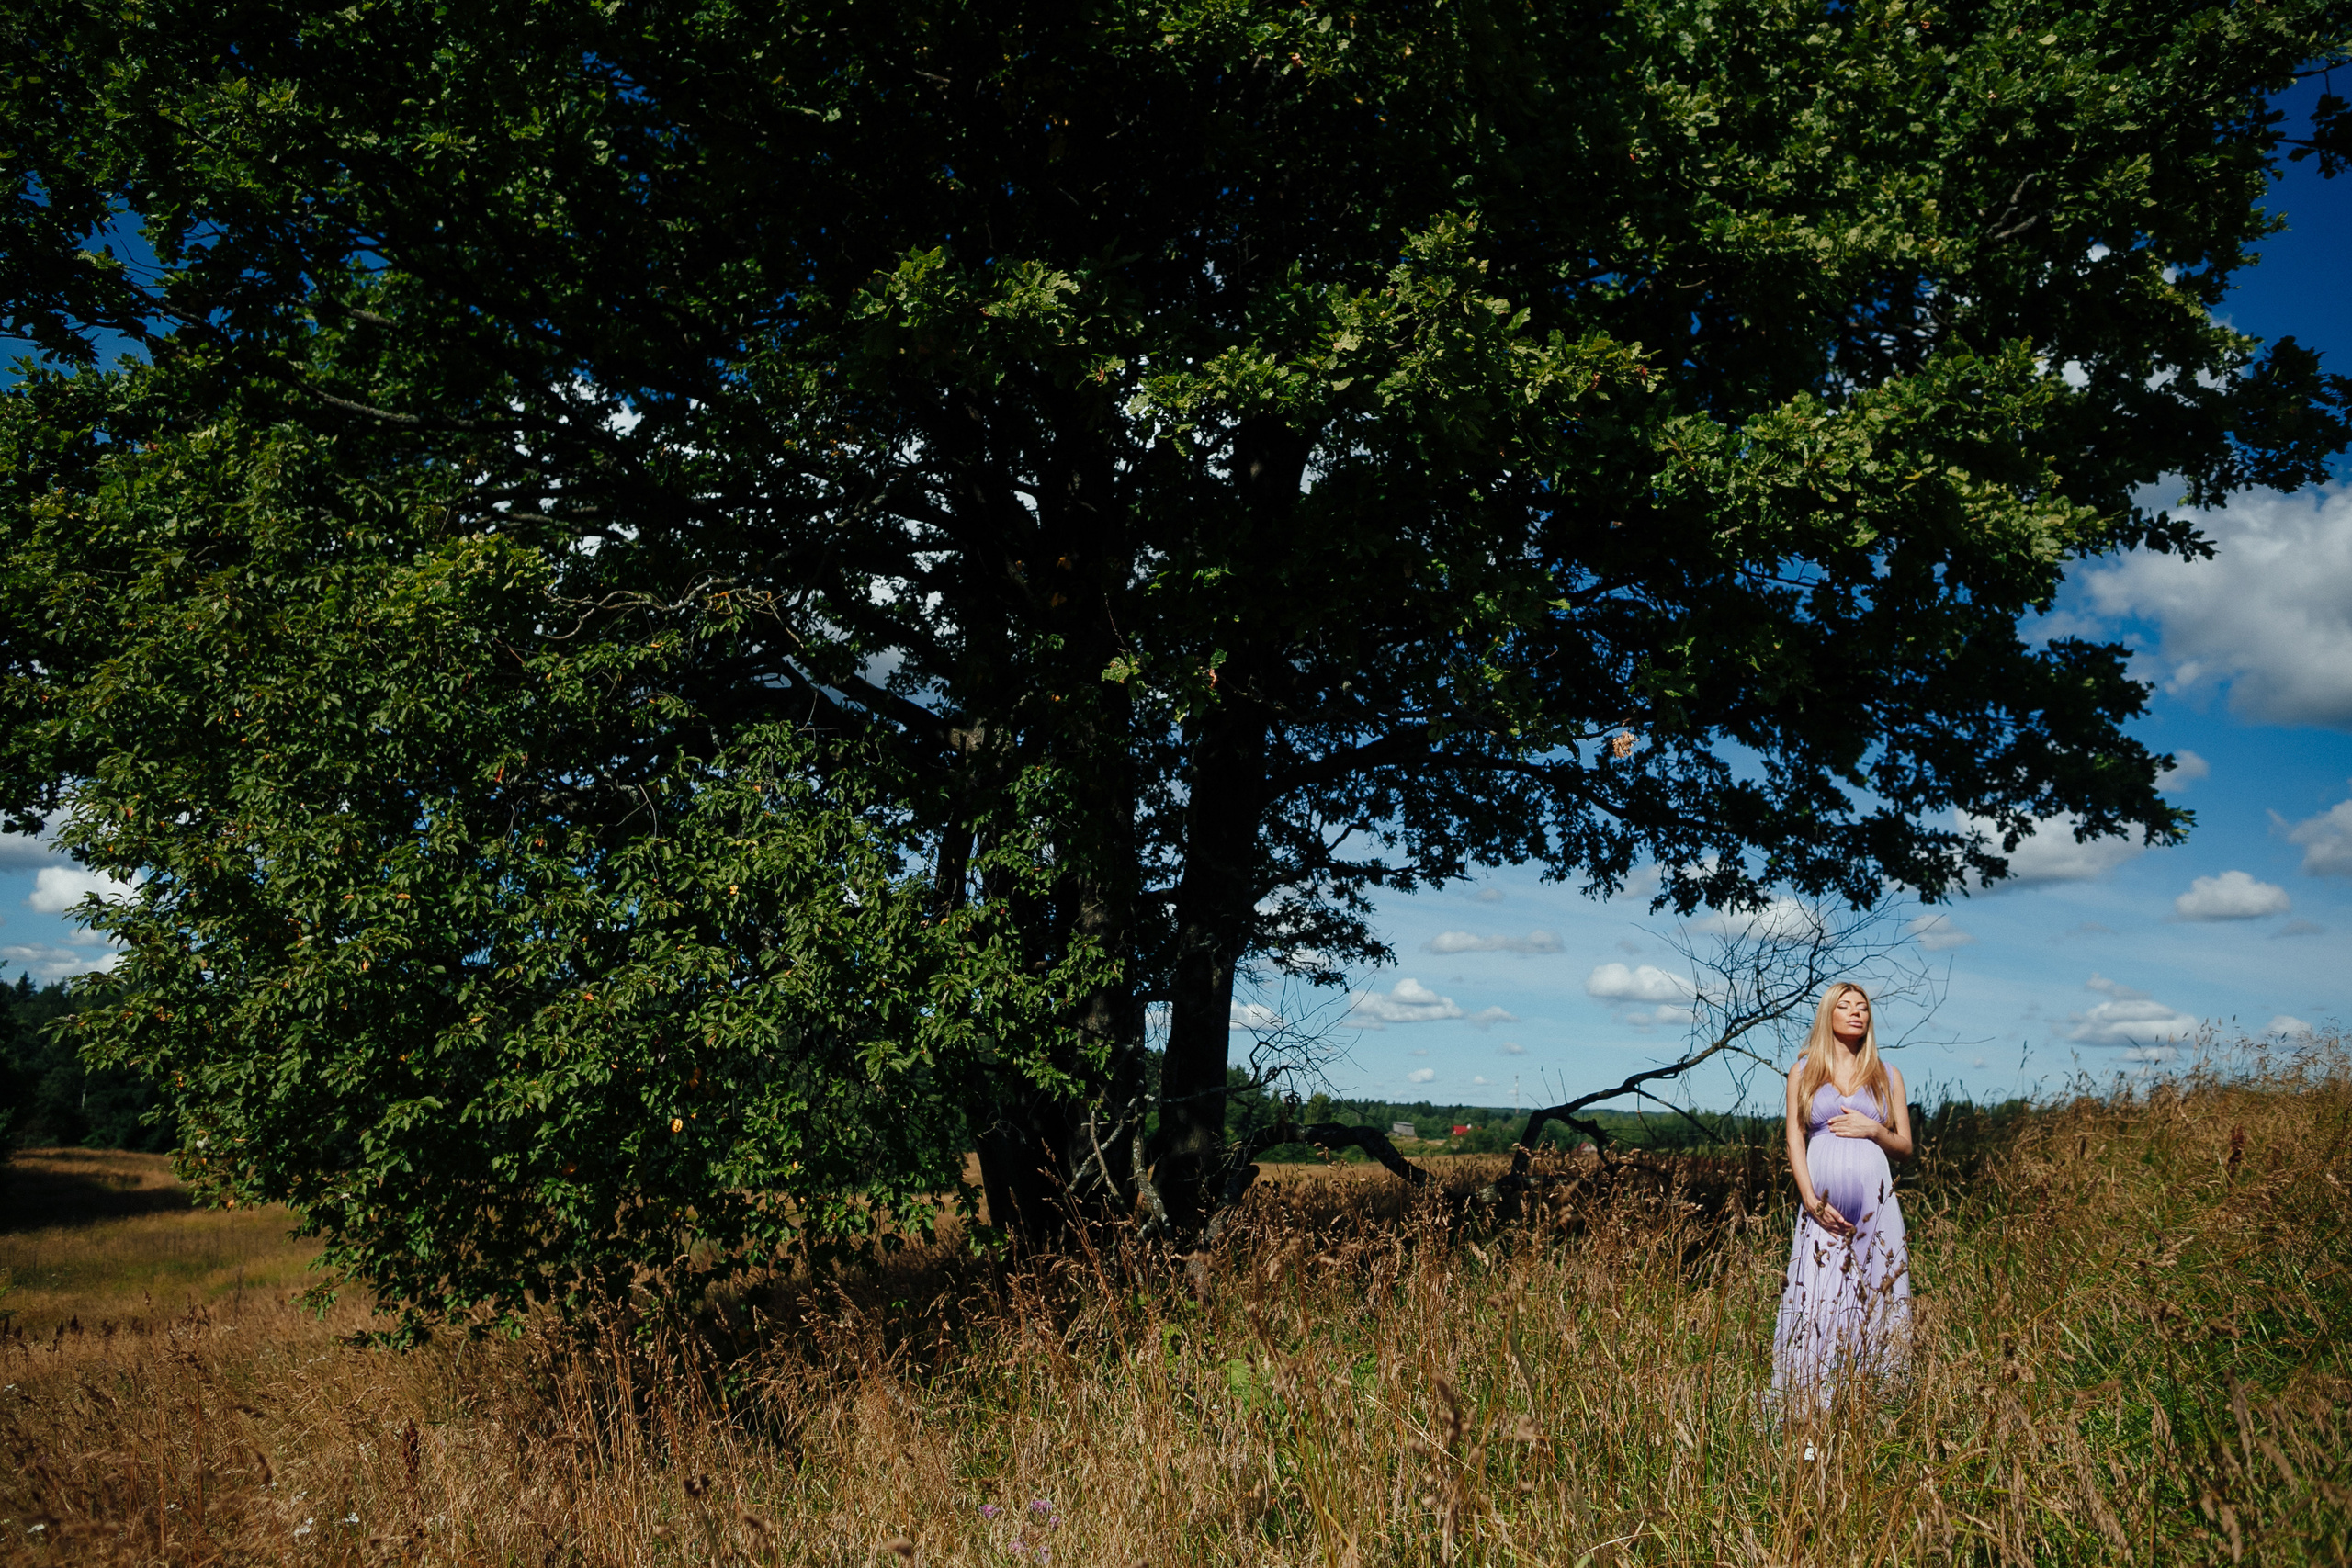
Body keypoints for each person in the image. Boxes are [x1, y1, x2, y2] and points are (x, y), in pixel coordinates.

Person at [1772, 981, 1913, 1411]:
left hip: (1878, 1205)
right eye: (1846, 1006)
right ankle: (1809, 1408)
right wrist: (1811, 1201)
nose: (1857, 1012)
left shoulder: (1887, 1074)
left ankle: (1877, 1404)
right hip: (1822, 1209)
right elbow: (1795, 1141)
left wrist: (1875, 1129)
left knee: (1880, 1296)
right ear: (1828, 1015)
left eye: (1864, 1007)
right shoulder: (1804, 1071)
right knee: (1815, 1300)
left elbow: (1905, 1145)